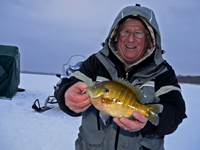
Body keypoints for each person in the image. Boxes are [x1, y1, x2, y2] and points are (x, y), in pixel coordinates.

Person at [55, 4, 187, 150]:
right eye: (125, 32)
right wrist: (66, 94)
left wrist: (147, 122)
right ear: (116, 36)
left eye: (138, 33)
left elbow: (176, 111)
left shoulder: (163, 71)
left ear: (149, 39)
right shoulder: (96, 63)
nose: (131, 39)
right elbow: (70, 84)